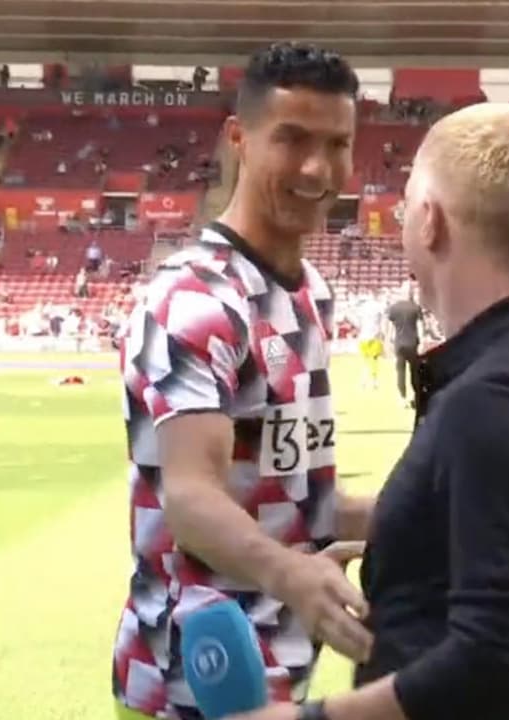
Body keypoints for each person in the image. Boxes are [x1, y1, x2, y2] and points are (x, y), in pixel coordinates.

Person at [227, 103, 509, 720]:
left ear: (430, 220)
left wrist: (305, 718)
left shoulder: (500, 396)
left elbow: (504, 660)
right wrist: (365, 529)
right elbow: (478, 524)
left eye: (407, 207)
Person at [112, 42, 377, 720]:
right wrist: (292, 573)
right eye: (292, 139)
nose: (317, 169)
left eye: (337, 144)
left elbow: (293, 500)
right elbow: (190, 498)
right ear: (239, 139)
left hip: (279, 673)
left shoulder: (309, 292)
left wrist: (427, 516)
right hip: (189, 682)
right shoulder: (196, 299)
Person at [385, 285, 422, 408]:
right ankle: (416, 396)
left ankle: (402, 398)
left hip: (399, 344)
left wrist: (388, 341)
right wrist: (422, 342)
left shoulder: (394, 308)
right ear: (410, 293)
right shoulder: (415, 307)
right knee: (414, 372)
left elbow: (390, 328)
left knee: (400, 372)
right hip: (412, 343)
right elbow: (420, 327)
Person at [355, 293, 386, 389]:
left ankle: (363, 381)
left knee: (365, 361)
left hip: (363, 337)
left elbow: (357, 324)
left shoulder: (361, 308)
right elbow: (382, 321)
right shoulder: (379, 306)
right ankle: (374, 382)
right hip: (374, 336)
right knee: (374, 361)